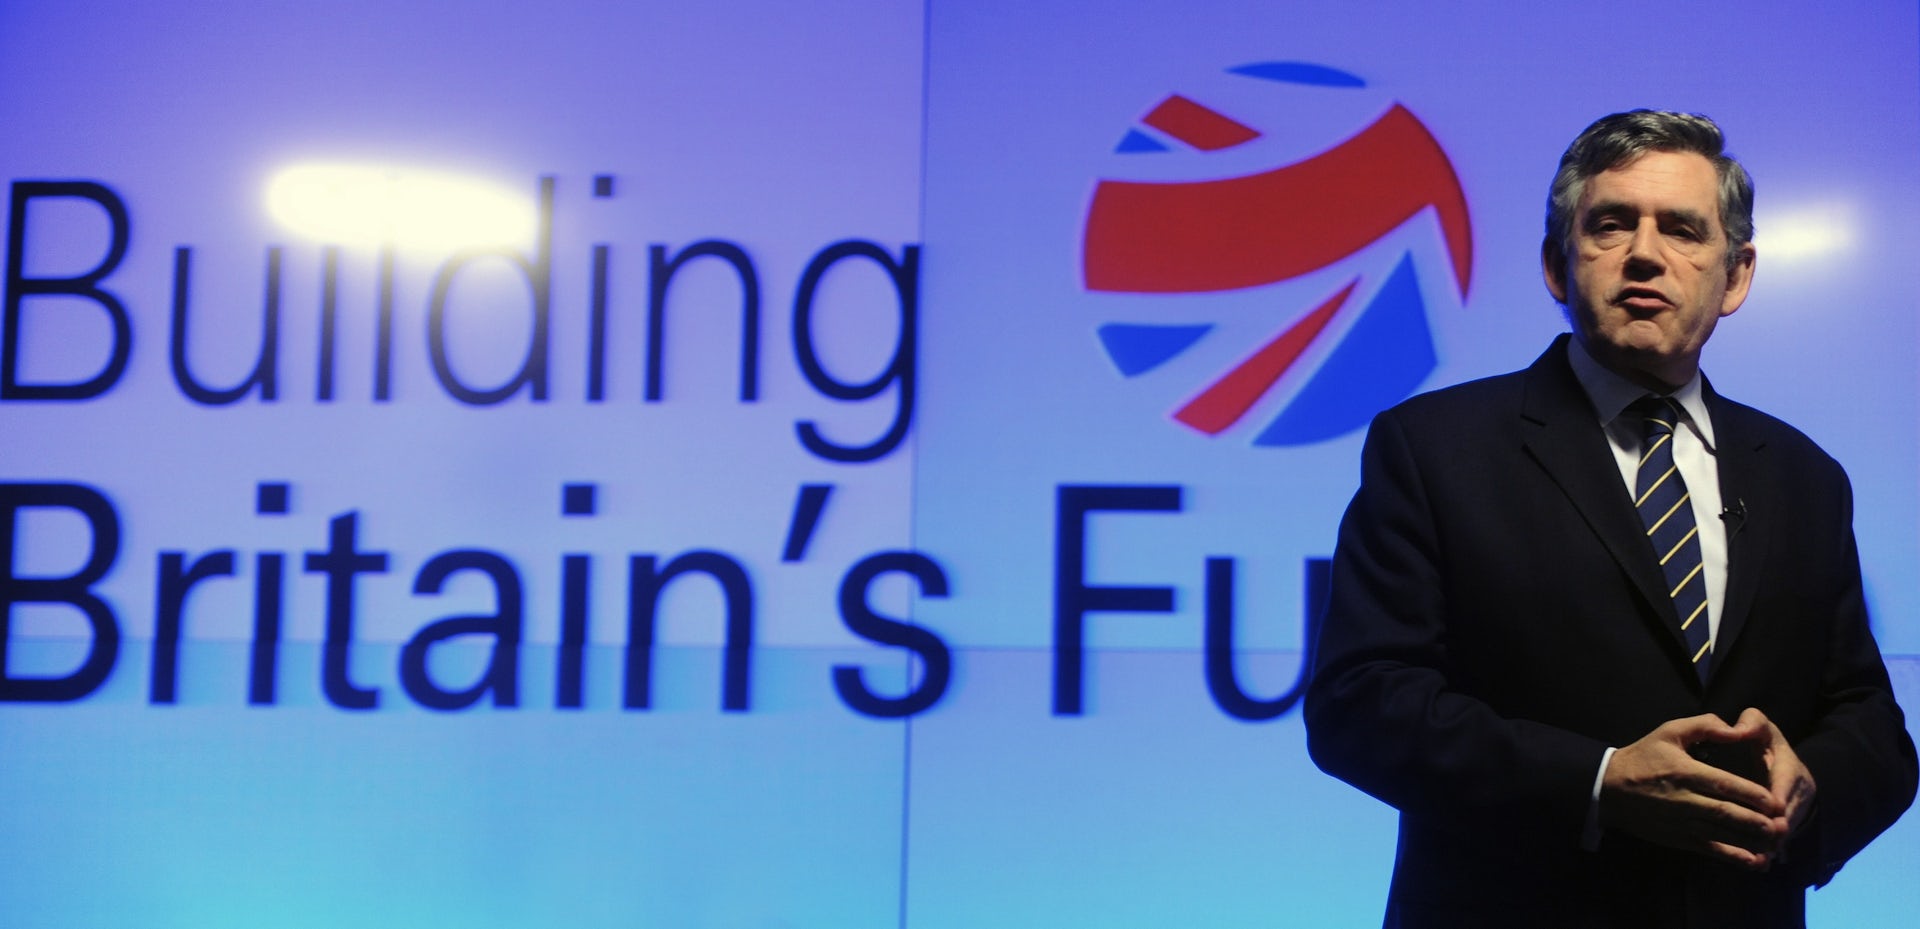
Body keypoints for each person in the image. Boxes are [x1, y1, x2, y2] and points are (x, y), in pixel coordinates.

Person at [1303, 109, 1917, 928]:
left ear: (1736, 275)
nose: (1644, 253)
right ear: (1557, 265)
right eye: (1612, 224)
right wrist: (1598, 780)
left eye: (1683, 230)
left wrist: (1809, 788)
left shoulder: (1805, 477)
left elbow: (1870, 722)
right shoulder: (1434, 448)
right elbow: (1360, 704)